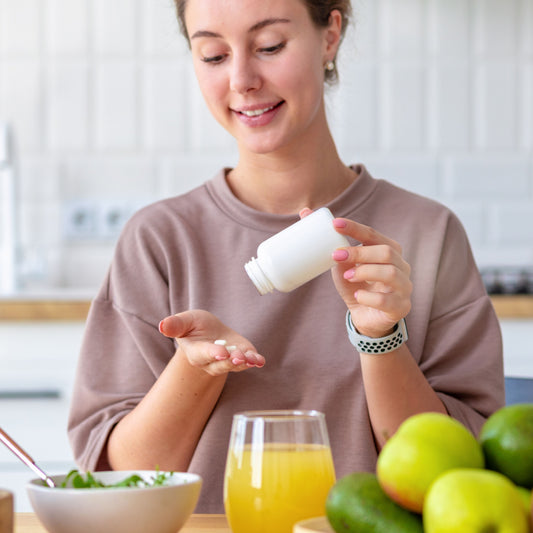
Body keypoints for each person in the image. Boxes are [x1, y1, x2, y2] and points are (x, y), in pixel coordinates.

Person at [67, 0, 504, 513]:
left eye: (269, 46)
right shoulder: (160, 240)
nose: (242, 79)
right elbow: (116, 482)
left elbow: (459, 477)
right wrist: (195, 371)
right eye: (212, 55)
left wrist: (380, 338)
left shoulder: (427, 235)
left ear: (329, 36)